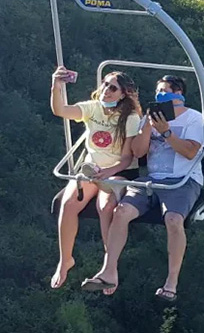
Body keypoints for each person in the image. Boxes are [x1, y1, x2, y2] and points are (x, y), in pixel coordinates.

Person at [82, 75, 204, 301]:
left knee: (174, 220)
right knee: (121, 212)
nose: (160, 96)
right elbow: (138, 152)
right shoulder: (148, 118)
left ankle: (171, 282)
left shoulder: (194, 119)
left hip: (182, 180)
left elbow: (190, 152)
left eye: (165, 91)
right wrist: (148, 125)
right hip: (151, 180)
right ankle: (109, 271)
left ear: (178, 95)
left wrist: (167, 132)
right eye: (158, 91)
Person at [49, 67, 141, 291]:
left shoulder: (130, 117)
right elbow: (60, 110)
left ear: (123, 94)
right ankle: (65, 260)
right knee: (68, 203)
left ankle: (109, 268)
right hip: (92, 169)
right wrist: (56, 84)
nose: (106, 91)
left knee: (106, 206)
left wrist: (108, 173)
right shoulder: (92, 108)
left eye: (112, 88)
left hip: (119, 169)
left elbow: (128, 158)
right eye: (105, 85)